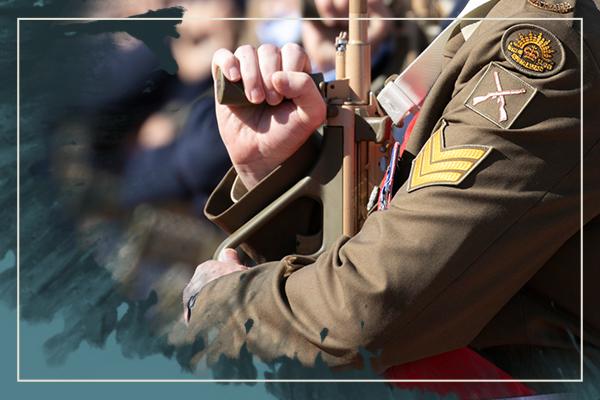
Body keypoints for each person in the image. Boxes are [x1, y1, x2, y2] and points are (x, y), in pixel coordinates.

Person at [177, 0, 600, 385]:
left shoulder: (545, 41)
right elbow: (383, 247)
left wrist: (226, 307)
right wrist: (273, 169)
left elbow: (373, 309)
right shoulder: (493, 19)